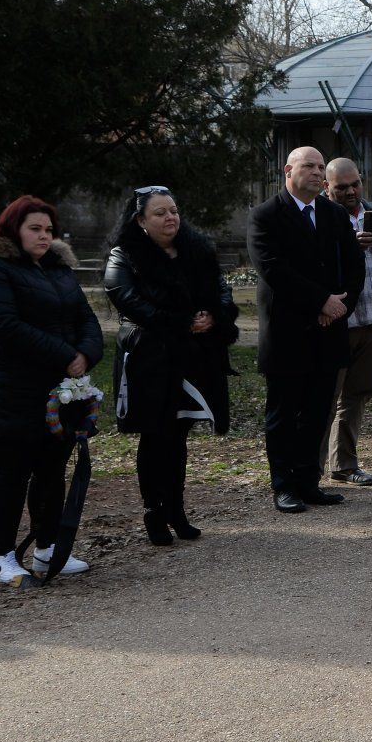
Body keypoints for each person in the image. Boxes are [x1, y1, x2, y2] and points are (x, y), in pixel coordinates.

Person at [0, 196, 105, 582]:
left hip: (60, 390)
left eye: (49, 230)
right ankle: (3, 558)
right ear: (14, 229)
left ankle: (47, 549)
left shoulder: (59, 269)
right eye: (35, 229)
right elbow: (2, 324)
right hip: (12, 389)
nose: (44, 236)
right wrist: (65, 355)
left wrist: (86, 354)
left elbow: (85, 317)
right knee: (12, 473)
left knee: (51, 471)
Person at [103, 187, 239, 546]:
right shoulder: (124, 255)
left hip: (191, 358)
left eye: (174, 211)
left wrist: (214, 315)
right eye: (160, 213)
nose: (170, 218)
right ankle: (154, 512)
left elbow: (221, 289)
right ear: (141, 220)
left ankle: (176, 509)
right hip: (149, 358)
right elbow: (127, 299)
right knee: (155, 434)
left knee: (178, 435)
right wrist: (181, 321)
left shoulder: (196, 251)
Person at [249, 146, 364, 514]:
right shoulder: (266, 215)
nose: (317, 172)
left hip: (329, 332)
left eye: (320, 166)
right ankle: (284, 486)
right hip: (288, 333)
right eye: (309, 166)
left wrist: (340, 306)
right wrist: (320, 302)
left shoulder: (334, 214)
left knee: (317, 413)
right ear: (288, 171)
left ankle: (308, 482)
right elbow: (273, 269)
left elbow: (355, 266)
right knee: (284, 416)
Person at [321, 157, 372, 487]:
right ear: (327, 187)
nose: (351, 191)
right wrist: (348, 247)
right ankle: (310, 471)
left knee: (357, 394)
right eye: (341, 187)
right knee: (325, 397)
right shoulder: (321, 215)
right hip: (337, 321)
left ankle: (344, 464)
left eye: (355, 184)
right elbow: (314, 263)